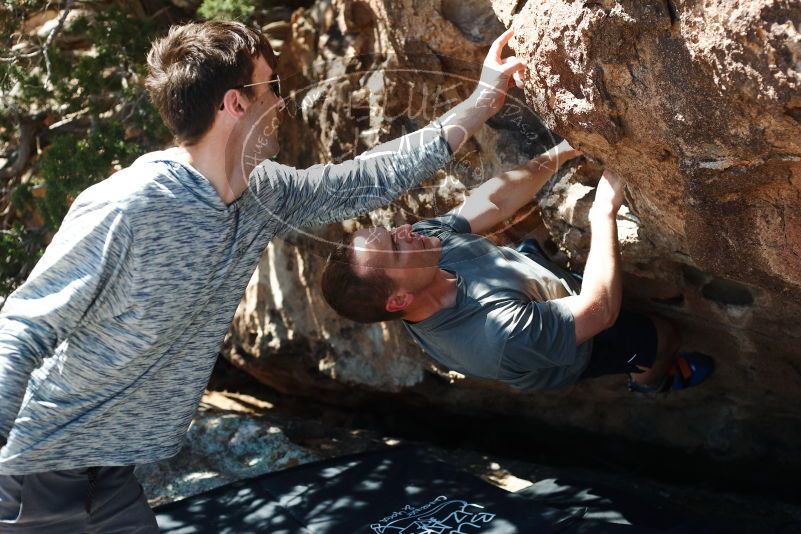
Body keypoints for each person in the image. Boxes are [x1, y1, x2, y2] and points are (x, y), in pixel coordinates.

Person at [0, 20, 524, 531]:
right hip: (30, 477)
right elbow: (22, 329)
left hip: (114, 479)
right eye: (270, 86)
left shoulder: (263, 194)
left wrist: (482, 100)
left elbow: (372, 176)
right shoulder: (129, 206)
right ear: (235, 103)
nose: (281, 102)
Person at [321, 141, 714, 392]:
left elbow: (493, 203)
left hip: (526, 290)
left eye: (391, 231)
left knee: (526, 261)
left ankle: (538, 276)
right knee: (661, 335)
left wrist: (564, 150)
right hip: (576, 348)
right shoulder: (497, 334)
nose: (406, 230)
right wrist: (603, 212)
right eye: (395, 245)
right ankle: (651, 380)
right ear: (399, 299)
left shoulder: (425, 248)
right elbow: (600, 311)